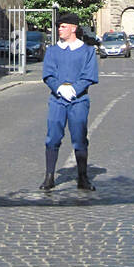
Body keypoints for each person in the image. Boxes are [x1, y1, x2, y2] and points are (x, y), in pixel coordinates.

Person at [39, 12, 99, 192]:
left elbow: (89, 76)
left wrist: (74, 89)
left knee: (79, 138)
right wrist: (59, 88)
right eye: (59, 26)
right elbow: (48, 74)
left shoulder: (88, 51)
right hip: (57, 100)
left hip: (78, 100)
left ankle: (83, 177)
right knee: (53, 137)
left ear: (73, 28)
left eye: (63, 26)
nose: (59, 29)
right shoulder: (52, 51)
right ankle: (49, 176)